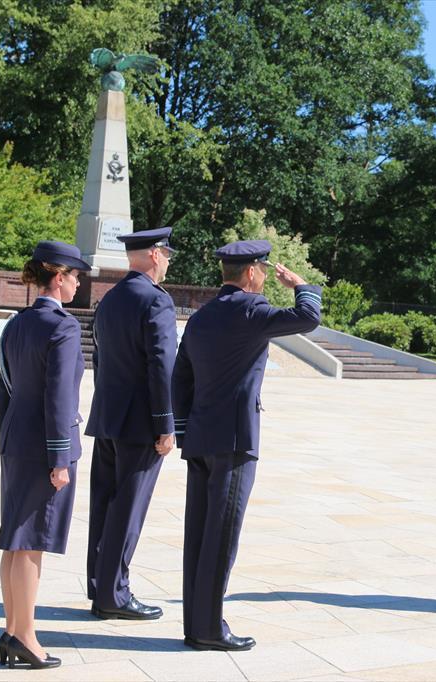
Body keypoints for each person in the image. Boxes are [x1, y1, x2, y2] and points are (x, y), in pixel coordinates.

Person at [171, 239, 322, 650]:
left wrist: (184, 432)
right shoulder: (251, 310)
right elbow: (308, 318)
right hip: (234, 440)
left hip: (200, 438)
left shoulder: (201, 317)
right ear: (253, 272)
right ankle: (208, 630)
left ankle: (195, 624)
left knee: (199, 535)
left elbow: (180, 377)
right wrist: (302, 284)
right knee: (221, 537)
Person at [0, 240, 90, 669]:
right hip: (45, 445)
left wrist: (9, 436)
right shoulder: (63, 327)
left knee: (15, 542)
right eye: (74, 277)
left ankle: (13, 630)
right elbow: (60, 398)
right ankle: (27, 636)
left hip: (16, 439)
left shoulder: (16, 323)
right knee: (30, 543)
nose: (77, 285)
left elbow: (6, 389)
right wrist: (59, 457)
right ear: (59, 277)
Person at [85, 227, 177, 620]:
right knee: (128, 508)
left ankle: (99, 586)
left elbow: (99, 359)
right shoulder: (155, 301)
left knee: (105, 505)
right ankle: (114, 595)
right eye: (168, 254)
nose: (169, 261)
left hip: (107, 416)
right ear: (155, 254)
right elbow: (161, 366)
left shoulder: (110, 299)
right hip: (141, 424)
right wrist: (166, 424)